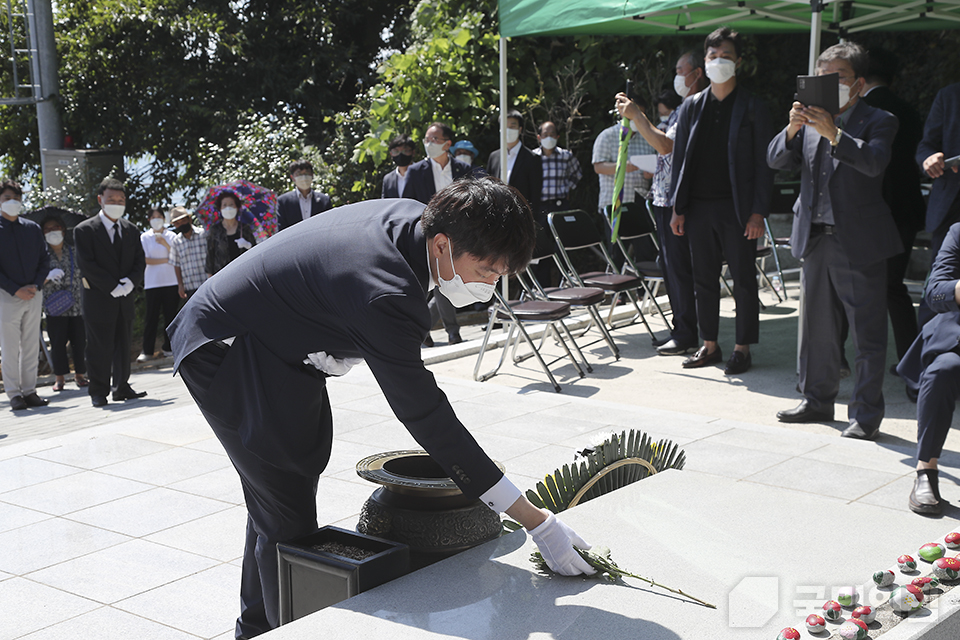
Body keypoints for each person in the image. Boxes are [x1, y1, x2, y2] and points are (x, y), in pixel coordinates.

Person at [168, 177, 595, 639]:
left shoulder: (418, 220)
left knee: (277, 495)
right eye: (486, 270)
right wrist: (535, 520)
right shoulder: (387, 289)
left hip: (271, 343)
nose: (490, 284)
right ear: (443, 245)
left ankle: (255, 628)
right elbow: (427, 416)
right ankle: (281, 629)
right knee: (286, 507)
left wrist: (334, 336)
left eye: (500, 274)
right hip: (227, 348)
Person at [767, 42, 900, 439]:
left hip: (858, 240)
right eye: (822, 78)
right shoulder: (808, 122)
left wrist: (835, 134)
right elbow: (775, 159)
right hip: (814, 238)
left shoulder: (881, 119)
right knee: (816, 329)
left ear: (858, 83)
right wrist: (792, 128)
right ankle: (816, 399)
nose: (829, 86)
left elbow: (875, 163)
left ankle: (865, 414)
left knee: (867, 332)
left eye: (837, 78)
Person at [669, 28, 774, 375]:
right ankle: (709, 344)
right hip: (698, 207)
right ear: (704, 61)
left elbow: (764, 163)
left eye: (725, 55)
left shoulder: (754, 106)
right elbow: (681, 160)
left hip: (739, 209)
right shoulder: (691, 106)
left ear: (738, 61)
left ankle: (742, 348)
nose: (718, 62)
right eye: (713, 56)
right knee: (703, 278)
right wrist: (677, 208)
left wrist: (758, 211)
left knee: (744, 279)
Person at [616, 50, 709, 357]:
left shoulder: (693, 109)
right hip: (667, 200)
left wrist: (636, 116)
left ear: (696, 73)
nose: (677, 76)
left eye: (681, 70)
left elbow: (665, 146)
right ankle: (682, 329)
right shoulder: (687, 108)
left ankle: (685, 334)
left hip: (677, 202)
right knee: (673, 269)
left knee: (679, 269)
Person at [860, 47, 925, 370]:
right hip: (906, 207)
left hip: (869, 210)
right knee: (893, 286)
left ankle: (841, 359)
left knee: (852, 284)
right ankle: (909, 358)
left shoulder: (863, 110)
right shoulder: (909, 110)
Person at [898, 222, 960, 515]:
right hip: (956, 339)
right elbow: (935, 293)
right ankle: (926, 469)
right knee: (942, 370)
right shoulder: (958, 232)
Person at [403, 122, 482, 345]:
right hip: (428, 234)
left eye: (434, 139)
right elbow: (407, 203)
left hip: (458, 233)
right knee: (437, 281)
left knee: (445, 280)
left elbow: (472, 198)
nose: (429, 143)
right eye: (426, 139)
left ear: (447, 143)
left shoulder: (462, 169)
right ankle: (450, 332)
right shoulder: (416, 171)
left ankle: (427, 329)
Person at [73, 177, 147, 407]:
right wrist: (112, 285)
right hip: (98, 297)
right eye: (111, 199)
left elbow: (139, 261)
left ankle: (121, 386)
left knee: (123, 344)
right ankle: (98, 390)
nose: (116, 203)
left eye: (121, 199)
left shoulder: (131, 230)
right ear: (100, 200)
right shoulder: (84, 230)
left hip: (124, 297)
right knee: (99, 345)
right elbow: (87, 264)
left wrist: (129, 284)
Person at [0, 179, 50, 410]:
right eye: (7, 198)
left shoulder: (32, 228)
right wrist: (15, 289)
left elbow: (44, 259)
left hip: (33, 293)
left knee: (31, 345)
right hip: (6, 295)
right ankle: (13, 393)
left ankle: (30, 391)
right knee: (9, 347)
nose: (13, 202)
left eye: (17, 199)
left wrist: (36, 284)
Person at [916, 82, 960, 328]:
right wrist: (929, 159)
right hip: (950, 208)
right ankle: (927, 358)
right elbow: (926, 145)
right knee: (937, 286)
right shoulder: (950, 96)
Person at [531, 120, 583, 285]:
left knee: (563, 247)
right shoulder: (532, 157)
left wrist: (567, 188)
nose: (549, 138)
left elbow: (577, 175)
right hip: (540, 207)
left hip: (561, 206)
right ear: (539, 137)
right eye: (545, 135)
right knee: (541, 248)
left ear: (558, 136)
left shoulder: (566, 156)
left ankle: (565, 282)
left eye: (552, 134)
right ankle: (543, 286)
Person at [41, 214, 87, 391]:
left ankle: (80, 375)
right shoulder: (41, 255)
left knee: (79, 341)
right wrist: (47, 277)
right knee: (58, 342)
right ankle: (59, 378)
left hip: (77, 303)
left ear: (62, 229)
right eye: (47, 229)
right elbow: (35, 277)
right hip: (54, 306)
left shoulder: (74, 250)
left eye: (55, 228)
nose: (51, 232)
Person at [138, 207, 179, 362]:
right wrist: (166, 259)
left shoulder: (171, 235)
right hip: (152, 283)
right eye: (153, 217)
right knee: (151, 318)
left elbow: (176, 255)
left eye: (159, 216)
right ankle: (147, 350)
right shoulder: (144, 237)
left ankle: (170, 347)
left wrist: (164, 243)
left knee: (171, 316)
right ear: (149, 220)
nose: (157, 219)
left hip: (172, 281)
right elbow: (145, 260)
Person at [486, 110, 542, 216]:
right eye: (505, 126)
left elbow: (535, 196)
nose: (508, 130)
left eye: (512, 126)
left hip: (520, 217)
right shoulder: (494, 157)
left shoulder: (532, 158)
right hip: (496, 217)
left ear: (520, 129)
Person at [206, 190, 256, 277]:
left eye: (231, 204)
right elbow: (210, 258)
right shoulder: (215, 230)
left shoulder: (244, 228)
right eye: (224, 205)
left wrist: (248, 245)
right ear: (220, 209)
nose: (228, 208)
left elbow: (255, 250)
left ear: (237, 207)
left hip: (243, 274)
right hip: (221, 277)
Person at [276, 159, 332, 232]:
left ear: (312, 175)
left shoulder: (324, 201)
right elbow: (282, 229)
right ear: (292, 177)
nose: (303, 177)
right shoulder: (283, 202)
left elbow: (329, 226)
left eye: (306, 173)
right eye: (299, 174)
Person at [168, 207, 207, 299]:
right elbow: (176, 264)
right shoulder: (176, 242)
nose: (181, 224)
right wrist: (180, 285)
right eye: (177, 223)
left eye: (183, 221)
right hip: (190, 286)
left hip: (207, 282)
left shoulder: (204, 235)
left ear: (189, 219)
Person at [381, 134, 416, 198]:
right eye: (396, 151)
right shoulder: (388, 179)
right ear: (391, 154)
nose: (400, 155)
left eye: (405, 151)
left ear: (413, 152)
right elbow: (385, 203)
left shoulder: (422, 174)